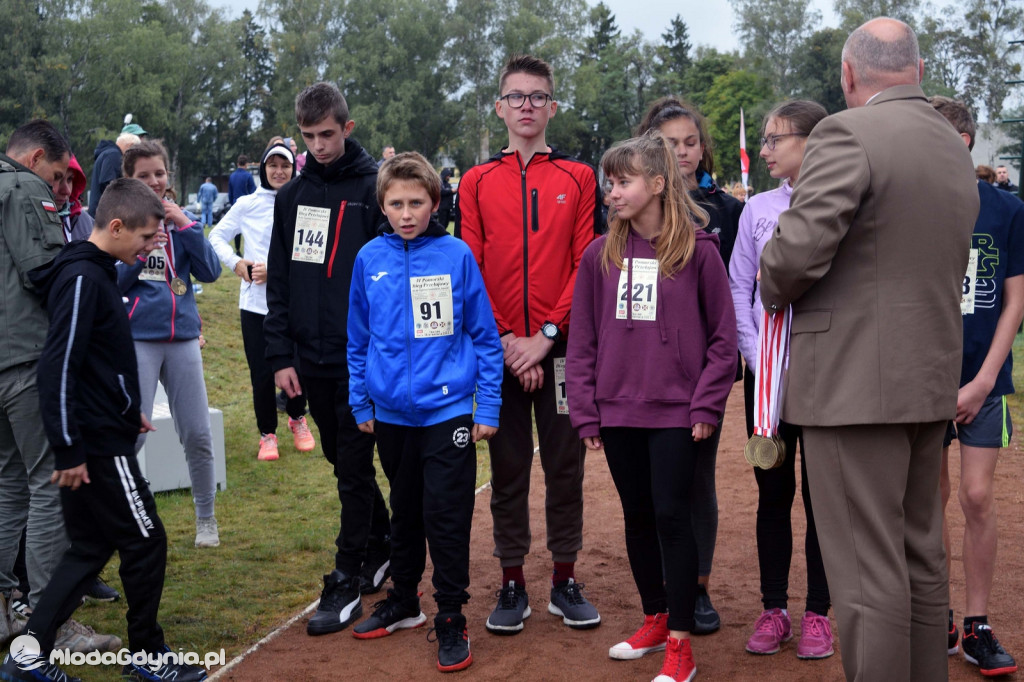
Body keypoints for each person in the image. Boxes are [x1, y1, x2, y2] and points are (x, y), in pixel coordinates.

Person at [758, 18, 979, 681]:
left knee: (863, 573)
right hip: (928, 379)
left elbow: (792, 258)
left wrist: (770, 265)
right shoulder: (950, 143)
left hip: (854, 387)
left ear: (849, 75)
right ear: (916, 67)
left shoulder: (845, 132)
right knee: (920, 557)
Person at [0, 177, 209, 682]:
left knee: (89, 550)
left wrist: (124, 406)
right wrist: (70, 449)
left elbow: (96, 361)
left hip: (101, 430)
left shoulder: (95, 273)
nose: (146, 251)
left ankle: (25, 657)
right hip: (94, 445)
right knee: (146, 540)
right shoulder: (83, 280)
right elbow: (57, 366)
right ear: (115, 226)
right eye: (142, 240)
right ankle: (148, 654)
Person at [566, 132, 737, 682]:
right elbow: (583, 340)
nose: (611, 192)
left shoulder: (700, 251)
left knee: (671, 518)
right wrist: (586, 412)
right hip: (617, 413)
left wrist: (706, 404)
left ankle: (682, 645)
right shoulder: (599, 254)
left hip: (677, 415)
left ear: (658, 184)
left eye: (623, 181)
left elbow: (723, 341)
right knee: (637, 519)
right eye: (608, 182)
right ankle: (657, 618)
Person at [455, 53, 603, 636]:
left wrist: (543, 339)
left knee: (565, 468)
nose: (526, 106)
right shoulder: (475, 181)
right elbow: (471, 266)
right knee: (508, 469)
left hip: (560, 351)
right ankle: (512, 581)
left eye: (537, 96)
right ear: (499, 107)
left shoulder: (579, 176)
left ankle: (564, 578)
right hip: (498, 353)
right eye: (515, 97)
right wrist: (508, 345)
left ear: (552, 107)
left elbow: (583, 263)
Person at [347, 152, 503, 672]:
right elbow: (358, 337)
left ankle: (451, 615)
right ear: (383, 205)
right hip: (391, 414)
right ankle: (405, 600)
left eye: (417, 202)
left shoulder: (456, 255)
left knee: (447, 514)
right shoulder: (369, 258)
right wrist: (360, 397)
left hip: (448, 413)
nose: (407, 212)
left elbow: (483, 336)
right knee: (406, 509)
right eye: (396, 203)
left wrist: (489, 405)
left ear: (434, 203)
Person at [264, 82, 393, 635]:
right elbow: (281, 279)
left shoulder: (374, 189)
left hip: (361, 360)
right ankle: (382, 540)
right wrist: (280, 352)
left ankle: (346, 575)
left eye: (328, 134)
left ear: (348, 127)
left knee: (355, 467)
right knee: (341, 460)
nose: (318, 146)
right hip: (307, 358)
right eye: (309, 137)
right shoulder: (291, 196)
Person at [0, 120, 121, 655]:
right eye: (56, 176)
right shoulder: (22, 187)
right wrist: (95, 261)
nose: (60, 189)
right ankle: (54, 620)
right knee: (51, 485)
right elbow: (46, 271)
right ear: (34, 159)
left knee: (6, 485)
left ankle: (4, 608)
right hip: (26, 358)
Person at [728, 100, 833, 660]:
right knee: (773, 490)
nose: (764, 150)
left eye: (774, 139)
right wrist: (755, 355)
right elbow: (738, 284)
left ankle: (819, 613)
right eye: (763, 140)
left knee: (824, 498)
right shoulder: (758, 209)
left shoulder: (839, 201)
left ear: (810, 140)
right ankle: (774, 608)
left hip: (826, 381)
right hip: (765, 379)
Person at [636, 95, 743, 635]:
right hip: (645, 372)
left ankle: (696, 588)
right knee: (651, 483)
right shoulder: (630, 211)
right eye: (668, 143)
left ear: (704, 147)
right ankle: (661, 592)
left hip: (705, 373)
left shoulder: (726, 211)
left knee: (696, 479)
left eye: (690, 142)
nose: (681, 152)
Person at [931, 95, 1023, 677]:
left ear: (962, 142)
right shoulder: (913, 208)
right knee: (928, 500)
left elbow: (1015, 301)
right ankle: (933, 613)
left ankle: (977, 623)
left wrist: (985, 377)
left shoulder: (1006, 209)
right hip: (925, 381)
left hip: (984, 379)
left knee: (977, 497)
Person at [116, 140, 222, 549]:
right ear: (129, 179)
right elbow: (113, 283)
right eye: (143, 176)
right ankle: (128, 517)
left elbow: (211, 272)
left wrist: (186, 226)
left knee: (197, 432)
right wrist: (143, 250)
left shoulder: (184, 220)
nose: (153, 181)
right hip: (138, 340)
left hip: (182, 341)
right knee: (133, 436)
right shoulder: (118, 225)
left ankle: (206, 519)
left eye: (159, 173)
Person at [209, 143, 316, 462]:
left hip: (295, 303)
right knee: (261, 372)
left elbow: (313, 254)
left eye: (285, 165)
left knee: (299, 367)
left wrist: (279, 270)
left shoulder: (304, 200)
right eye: (273, 165)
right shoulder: (248, 203)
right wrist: (237, 263)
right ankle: (267, 434)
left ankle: (298, 418)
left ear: (293, 168)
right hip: (256, 305)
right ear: (263, 169)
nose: (280, 171)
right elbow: (215, 237)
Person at [87, 127, 142, 218]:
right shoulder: (114, 155)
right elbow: (108, 183)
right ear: (130, 146)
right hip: (105, 216)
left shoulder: (108, 153)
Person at [228, 155, 256, 255]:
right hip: (247, 204)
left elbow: (230, 193)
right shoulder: (248, 176)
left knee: (237, 228)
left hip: (236, 203)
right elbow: (253, 191)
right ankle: (250, 249)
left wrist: (232, 203)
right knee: (249, 228)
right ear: (247, 164)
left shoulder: (232, 176)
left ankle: (238, 250)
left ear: (237, 164)